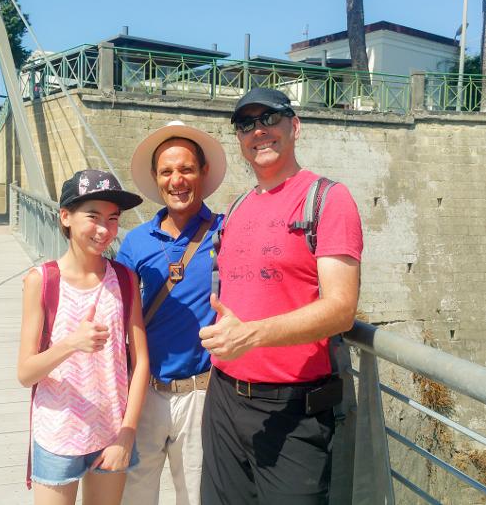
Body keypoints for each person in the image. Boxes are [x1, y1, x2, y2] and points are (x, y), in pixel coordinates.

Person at [199, 88, 363, 505]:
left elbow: (342, 309)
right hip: (223, 398)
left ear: (295, 126)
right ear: (239, 140)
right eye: (246, 124)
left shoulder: (327, 199)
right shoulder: (236, 209)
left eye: (270, 118)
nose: (259, 131)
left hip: (292, 409)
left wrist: (251, 336)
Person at [18, 169, 150, 505]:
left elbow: (142, 362)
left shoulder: (124, 279)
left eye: (113, 218)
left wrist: (127, 433)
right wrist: (71, 344)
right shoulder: (42, 280)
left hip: (111, 432)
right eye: (93, 217)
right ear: (65, 216)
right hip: (57, 434)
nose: (105, 229)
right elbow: (25, 373)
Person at [116, 121, 227, 505]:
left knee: (196, 496)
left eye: (186, 169)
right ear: (155, 178)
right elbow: (116, 312)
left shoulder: (225, 233)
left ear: (203, 173)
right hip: (143, 392)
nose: (176, 180)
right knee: (134, 495)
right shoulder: (135, 242)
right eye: (167, 172)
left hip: (201, 393)